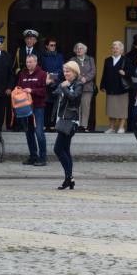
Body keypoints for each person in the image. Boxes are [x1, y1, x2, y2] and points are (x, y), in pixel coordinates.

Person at [53, 61, 83, 190]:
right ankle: (69, 179)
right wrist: (52, 84)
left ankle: (69, 178)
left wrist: (64, 88)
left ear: (75, 72)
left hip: (71, 121)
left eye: (68, 71)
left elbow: (74, 98)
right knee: (65, 150)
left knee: (58, 149)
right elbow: (55, 93)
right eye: (64, 71)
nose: (65, 73)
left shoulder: (79, 84)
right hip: (62, 119)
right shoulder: (65, 83)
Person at [16, 54, 48, 166]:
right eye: (27, 62)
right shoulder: (22, 74)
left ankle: (42, 157)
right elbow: (18, 87)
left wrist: (32, 91)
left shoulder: (42, 74)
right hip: (25, 107)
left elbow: (44, 91)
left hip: (38, 106)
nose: (28, 64)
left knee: (39, 132)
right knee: (28, 132)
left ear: (36, 62)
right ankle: (33, 156)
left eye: (30, 62)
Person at [99, 41, 129, 133]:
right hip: (110, 88)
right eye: (113, 48)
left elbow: (132, 72)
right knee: (111, 108)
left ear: (121, 50)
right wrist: (102, 85)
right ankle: (111, 128)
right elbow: (104, 74)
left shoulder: (126, 60)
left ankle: (121, 127)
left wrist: (125, 73)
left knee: (122, 108)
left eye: (117, 48)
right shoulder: (107, 60)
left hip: (122, 88)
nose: (115, 49)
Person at [40, 37, 64, 131]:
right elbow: (42, 69)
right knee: (46, 105)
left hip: (56, 83)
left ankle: (54, 125)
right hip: (46, 84)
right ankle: (46, 124)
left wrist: (52, 78)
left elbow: (61, 69)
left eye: (54, 45)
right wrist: (48, 78)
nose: (53, 47)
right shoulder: (43, 57)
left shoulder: (60, 56)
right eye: (51, 45)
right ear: (46, 46)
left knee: (56, 105)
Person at [72, 43, 96, 132]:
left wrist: (86, 78)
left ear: (85, 50)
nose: (79, 50)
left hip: (87, 87)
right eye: (77, 48)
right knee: (76, 106)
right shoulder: (73, 59)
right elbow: (71, 70)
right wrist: (79, 78)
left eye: (81, 48)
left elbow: (93, 71)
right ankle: (77, 124)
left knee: (86, 106)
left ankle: (84, 125)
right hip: (76, 86)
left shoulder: (90, 59)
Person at [125, 36, 137, 133]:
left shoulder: (128, 54)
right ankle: (134, 125)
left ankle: (129, 126)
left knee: (131, 104)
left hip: (130, 82)